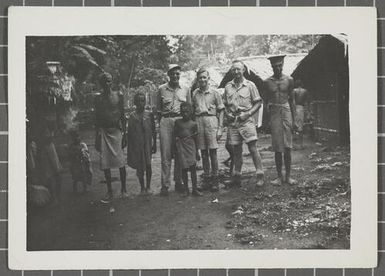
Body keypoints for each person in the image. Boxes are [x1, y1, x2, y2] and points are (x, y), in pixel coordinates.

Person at [223, 60, 264, 188]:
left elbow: (258, 102)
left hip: (246, 121)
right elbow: (224, 104)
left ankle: (260, 175)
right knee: (236, 151)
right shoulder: (228, 86)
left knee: (253, 148)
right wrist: (227, 114)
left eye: (238, 69)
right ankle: (237, 177)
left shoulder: (250, 85)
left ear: (243, 70)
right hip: (233, 122)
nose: (236, 72)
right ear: (231, 71)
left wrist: (248, 113)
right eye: (234, 70)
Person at [156, 64, 191, 196]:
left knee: (179, 153)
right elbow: (158, 110)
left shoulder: (186, 89)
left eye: (178, 73)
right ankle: (165, 185)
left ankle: (179, 182)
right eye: (173, 74)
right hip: (166, 121)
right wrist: (162, 123)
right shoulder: (161, 89)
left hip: (180, 122)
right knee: (165, 154)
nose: (175, 76)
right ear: (168, 75)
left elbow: (189, 108)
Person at [264, 55, 297, 186]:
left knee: (288, 146)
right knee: (278, 146)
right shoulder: (267, 82)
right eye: (275, 66)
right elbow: (265, 102)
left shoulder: (289, 79)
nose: (278, 68)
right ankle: (279, 176)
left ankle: (288, 176)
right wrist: (267, 121)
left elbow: (292, 100)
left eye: (280, 65)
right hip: (274, 112)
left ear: (283, 64)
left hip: (286, 109)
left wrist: (295, 120)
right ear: (271, 66)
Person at [94, 72, 127, 203]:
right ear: (101, 84)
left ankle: (124, 189)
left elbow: (123, 116)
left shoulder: (119, 96)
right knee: (106, 163)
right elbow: (96, 118)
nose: (108, 84)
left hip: (116, 131)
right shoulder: (98, 99)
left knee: (121, 161)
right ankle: (109, 190)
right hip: (104, 131)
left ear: (112, 82)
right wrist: (97, 135)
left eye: (109, 81)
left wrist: (125, 134)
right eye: (105, 81)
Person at [191, 68, 224, 192]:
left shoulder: (215, 93)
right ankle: (207, 179)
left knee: (213, 152)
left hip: (211, 121)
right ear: (197, 79)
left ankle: (215, 180)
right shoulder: (194, 93)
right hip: (199, 121)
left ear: (208, 78)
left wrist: (220, 128)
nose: (202, 80)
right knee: (204, 153)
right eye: (200, 78)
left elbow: (221, 111)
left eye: (204, 77)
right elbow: (192, 111)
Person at [127, 92, 156, 195]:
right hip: (137, 145)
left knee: (148, 165)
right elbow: (129, 133)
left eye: (143, 100)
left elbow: (153, 130)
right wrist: (131, 148)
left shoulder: (149, 114)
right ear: (135, 102)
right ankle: (142, 187)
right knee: (140, 166)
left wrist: (155, 144)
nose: (141, 103)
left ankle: (148, 186)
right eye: (138, 101)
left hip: (147, 144)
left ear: (145, 101)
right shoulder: (132, 116)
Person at [174, 102, 203, 197]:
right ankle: (186, 189)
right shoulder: (177, 122)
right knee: (184, 169)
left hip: (191, 148)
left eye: (187, 111)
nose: (185, 113)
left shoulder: (193, 124)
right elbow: (175, 135)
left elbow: (196, 139)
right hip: (181, 148)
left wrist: (197, 152)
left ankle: (194, 189)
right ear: (180, 112)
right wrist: (175, 147)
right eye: (183, 112)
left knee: (193, 169)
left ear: (191, 112)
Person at [69, 130, 92, 194]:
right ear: (73, 138)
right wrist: (75, 153)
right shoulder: (72, 146)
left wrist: (83, 153)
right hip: (75, 164)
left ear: (80, 137)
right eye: (75, 137)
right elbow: (70, 154)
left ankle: (85, 188)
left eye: (78, 136)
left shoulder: (83, 145)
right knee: (75, 177)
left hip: (82, 163)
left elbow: (87, 152)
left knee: (84, 175)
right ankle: (75, 189)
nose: (77, 138)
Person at [293, 79, 309, 150]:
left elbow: (293, 101)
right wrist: (307, 111)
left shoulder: (294, 91)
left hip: (296, 107)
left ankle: (297, 145)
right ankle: (300, 144)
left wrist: (293, 110)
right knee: (301, 126)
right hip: (302, 108)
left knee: (295, 126)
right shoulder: (305, 91)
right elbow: (306, 102)